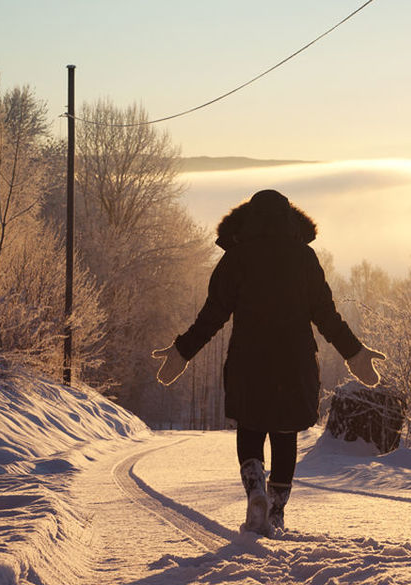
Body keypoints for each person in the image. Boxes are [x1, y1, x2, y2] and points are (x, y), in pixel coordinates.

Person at [151, 189, 385, 536]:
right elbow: (326, 315)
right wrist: (355, 353)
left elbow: (212, 315)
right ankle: (275, 512)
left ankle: (255, 487)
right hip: (294, 362)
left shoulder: (237, 258)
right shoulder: (304, 258)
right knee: (285, 434)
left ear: (249, 220)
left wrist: (182, 351)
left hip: (249, 361)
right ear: (290, 221)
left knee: (250, 427)